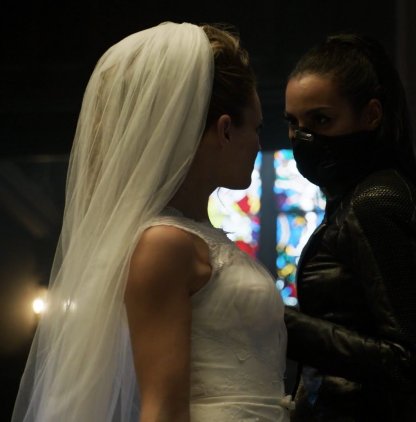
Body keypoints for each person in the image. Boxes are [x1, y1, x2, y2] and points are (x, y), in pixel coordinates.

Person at [12, 21, 290, 421]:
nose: (259, 143)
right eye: (257, 128)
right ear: (225, 130)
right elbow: (162, 408)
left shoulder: (196, 238)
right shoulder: (164, 244)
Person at [282, 33, 416, 421]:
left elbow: (404, 360)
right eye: (293, 123)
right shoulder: (355, 197)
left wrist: (280, 324)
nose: (303, 138)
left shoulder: (376, 200)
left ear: (371, 115)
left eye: (321, 120)